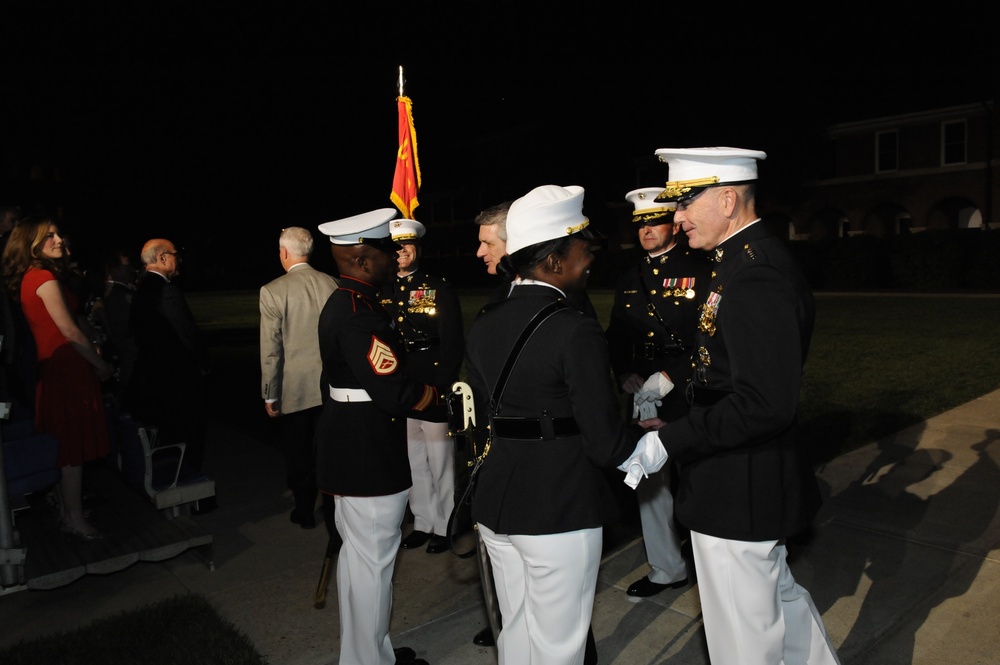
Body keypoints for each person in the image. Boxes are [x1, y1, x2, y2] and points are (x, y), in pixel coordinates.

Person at [634, 147, 840, 664]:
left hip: (739, 479)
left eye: (684, 205)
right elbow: (723, 361)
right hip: (739, 470)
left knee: (741, 637)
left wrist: (669, 440)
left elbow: (762, 403)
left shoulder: (755, 273)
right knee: (777, 602)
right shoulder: (737, 262)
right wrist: (672, 381)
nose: (676, 220)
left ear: (728, 200)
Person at [464, 184, 647, 665]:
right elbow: (605, 439)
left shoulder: (485, 320)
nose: (589, 263)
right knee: (559, 645)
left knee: (518, 631)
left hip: (499, 498)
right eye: (582, 252)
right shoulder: (573, 328)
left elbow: (484, 413)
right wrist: (653, 446)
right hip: (559, 502)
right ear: (553, 260)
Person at [315, 207, 444, 665]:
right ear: (364, 261)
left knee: (358, 562)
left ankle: (365, 654)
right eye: (386, 253)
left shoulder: (349, 302)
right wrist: (440, 399)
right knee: (371, 566)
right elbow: (394, 390)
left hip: (351, 444)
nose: (395, 259)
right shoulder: (358, 314)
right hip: (368, 451)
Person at [604, 187, 712, 597]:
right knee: (649, 478)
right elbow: (617, 334)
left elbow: (709, 335)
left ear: (673, 223)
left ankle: (709, 558)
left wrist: (672, 373)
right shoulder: (630, 277)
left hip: (688, 382)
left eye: (655, 222)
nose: (647, 230)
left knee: (698, 471)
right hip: (644, 386)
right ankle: (667, 567)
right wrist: (624, 373)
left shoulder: (700, 267)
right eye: (640, 224)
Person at [1, 214, 114, 539]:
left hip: (53, 370)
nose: (59, 239)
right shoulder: (43, 279)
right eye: (48, 235)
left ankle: (68, 513)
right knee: (71, 449)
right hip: (67, 370)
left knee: (64, 446)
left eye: (58, 233)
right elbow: (68, 331)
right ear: (31, 244)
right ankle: (74, 517)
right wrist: (100, 365)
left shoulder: (32, 276)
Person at [383, 219, 464, 555]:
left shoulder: (436, 286)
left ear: (418, 248)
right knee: (413, 458)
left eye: (407, 245)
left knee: (440, 459)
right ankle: (423, 522)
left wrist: (442, 384)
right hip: (401, 381)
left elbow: (453, 340)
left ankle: (446, 525)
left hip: (432, 380)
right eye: (395, 246)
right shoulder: (383, 289)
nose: (401, 251)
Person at [259, 226, 339, 530]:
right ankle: (333, 514)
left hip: (295, 390)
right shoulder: (331, 283)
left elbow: (271, 349)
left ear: (283, 252)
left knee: (299, 454)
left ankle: (304, 510)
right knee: (328, 452)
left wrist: (270, 393)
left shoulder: (273, 290)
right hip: (331, 387)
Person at [127, 238, 214, 511]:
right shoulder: (166, 292)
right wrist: (204, 364)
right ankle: (191, 496)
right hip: (179, 379)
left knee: (171, 436)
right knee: (188, 438)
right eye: (176, 254)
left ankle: (180, 492)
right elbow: (187, 334)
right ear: (163, 258)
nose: (179, 260)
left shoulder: (142, 290)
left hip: (157, 378)